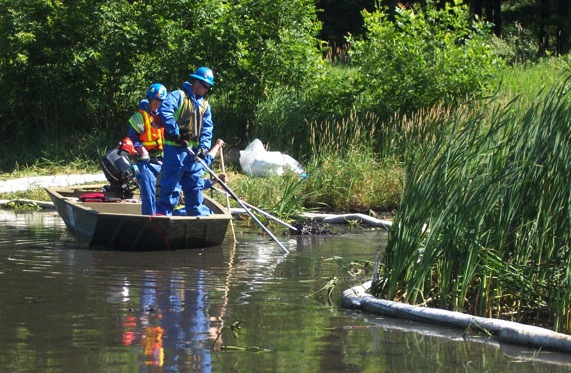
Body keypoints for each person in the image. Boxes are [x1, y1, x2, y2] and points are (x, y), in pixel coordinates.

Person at [156, 66, 217, 216]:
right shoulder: (178, 96)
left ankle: (196, 218)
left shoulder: (205, 106)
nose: (206, 89)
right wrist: (176, 133)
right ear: (196, 82)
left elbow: (207, 130)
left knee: (195, 187)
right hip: (176, 151)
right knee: (171, 188)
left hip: (193, 155)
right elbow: (166, 112)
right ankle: (163, 218)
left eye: (208, 87)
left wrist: (204, 148)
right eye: (204, 86)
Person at [125, 83, 168, 215]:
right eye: (154, 101)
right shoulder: (139, 117)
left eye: (160, 101)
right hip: (146, 160)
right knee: (149, 193)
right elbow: (132, 138)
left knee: (167, 190)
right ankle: (150, 218)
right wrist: (142, 150)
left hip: (162, 159)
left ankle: (165, 216)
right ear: (149, 99)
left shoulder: (165, 116)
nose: (156, 104)